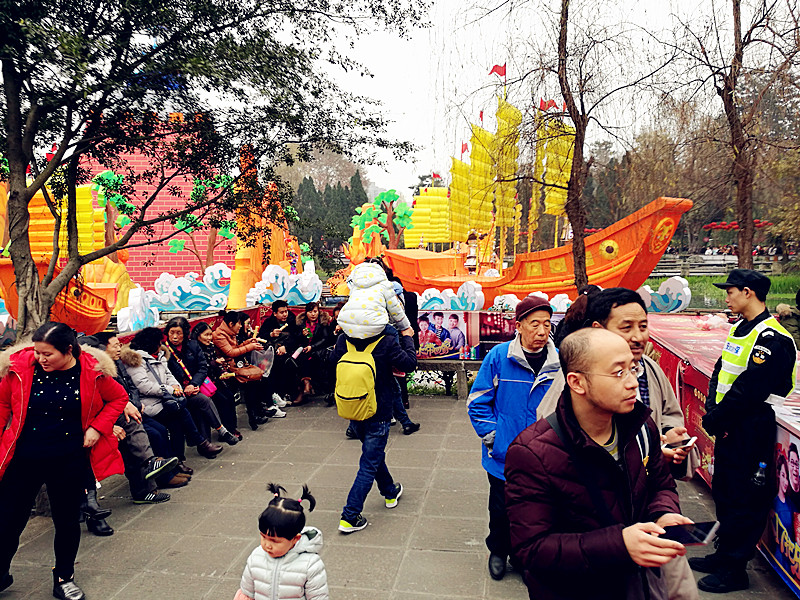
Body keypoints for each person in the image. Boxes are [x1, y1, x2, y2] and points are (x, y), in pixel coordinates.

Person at [505, 328, 690, 600]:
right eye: (618, 373)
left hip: (639, 585)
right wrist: (620, 544)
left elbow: (661, 485)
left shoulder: (641, 426)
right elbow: (531, 549)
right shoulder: (532, 452)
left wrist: (663, 514)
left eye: (633, 369)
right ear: (577, 382)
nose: (632, 383)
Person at [0, 322, 129, 600]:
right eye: (37, 352)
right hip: (24, 458)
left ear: (68, 350)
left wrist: (97, 428)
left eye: (48, 354)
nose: (41, 359)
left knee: (67, 521)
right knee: (8, 520)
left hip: (68, 458)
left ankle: (64, 578)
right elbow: (2, 404)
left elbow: (118, 398)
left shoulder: (91, 372)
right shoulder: (19, 369)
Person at [691, 269, 797, 593]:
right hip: (728, 424)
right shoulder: (740, 329)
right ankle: (723, 554)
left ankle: (735, 568)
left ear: (748, 293)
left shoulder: (772, 337)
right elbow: (721, 371)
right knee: (724, 490)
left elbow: (751, 388)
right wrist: (712, 409)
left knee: (744, 499)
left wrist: (718, 416)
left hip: (749, 425)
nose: (727, 297)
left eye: (731, 291)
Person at [467, 295, 560, 580]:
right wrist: (496, 438)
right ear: (518, 325)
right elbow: (478, 402)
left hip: (546, 455)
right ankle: (498, 550)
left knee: (537, 510)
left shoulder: (560, 363)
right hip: (504, 455)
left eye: (547, 324)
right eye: (534, 324)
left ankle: (524, 554)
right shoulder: (499, 357)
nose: (542, 331)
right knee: (501, 508)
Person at [331, 320, 417, 533]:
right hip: (379, 412)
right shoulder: (387, 343)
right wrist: (407, 337)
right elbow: (409, 363)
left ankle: (389, 491)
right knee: (369, 463)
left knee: (373, 455)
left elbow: (331, 362)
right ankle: (350, 516)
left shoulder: (345, 340)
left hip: (354, 410)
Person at [126, 327, 224, 460]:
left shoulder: (160, 356)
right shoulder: (136, 361)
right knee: (181, 414)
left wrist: (176, 387)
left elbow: (169, 375)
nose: (161, 346)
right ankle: (201, 443)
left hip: (165, 399)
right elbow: (144, 386)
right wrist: (171, 390)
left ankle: (182, 458)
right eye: (159, 343)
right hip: (150, 403)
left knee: (181, 417)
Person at [164, 317, 239, 445]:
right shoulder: (164, 350)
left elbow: (202, 367)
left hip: (194, 386)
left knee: (215, 398)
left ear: (185, 333)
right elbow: (166, 374)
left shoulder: (193, 345)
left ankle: (208, 442)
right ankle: (219, 433)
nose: (175, 337)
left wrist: (194, 384)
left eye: (179, 333)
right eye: (172, 333)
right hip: (176, 390)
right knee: (203, 401)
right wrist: (182, 388)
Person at [215, 310, 279, 430]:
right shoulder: (219, 335)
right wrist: (250, 346)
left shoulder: (229, 333)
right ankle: (254, 414)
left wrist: (248, 342)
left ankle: (257, 412)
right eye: (239, 323)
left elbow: (236, 348)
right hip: (227, 369)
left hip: (236, 365)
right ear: (231, 324)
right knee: (250, 381)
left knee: (257, 380)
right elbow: (231, 352)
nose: (240, 326)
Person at [336, 260, 413, 339]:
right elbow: (395, 311)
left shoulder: (355, 286)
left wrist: (340, 324)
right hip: (375, 325)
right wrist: (405, 327)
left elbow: (351, 305)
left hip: (351, 325)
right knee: (393, 333)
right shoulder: (384, 285)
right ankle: (395, 350)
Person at [191, 321, 241, 438]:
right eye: (206, 335)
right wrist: (213, 363)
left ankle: (231, 428)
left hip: (215, 380)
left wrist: (222, 370)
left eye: (210, 334)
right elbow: (200, 367)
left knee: (229, 396)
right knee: (222, 400)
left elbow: (215, 364)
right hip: (203, 383)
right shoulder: (195, 349)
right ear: (198, 336)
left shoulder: (210, 346)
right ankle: (225, 431)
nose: (209, 338)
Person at [257, 300, 300, 407]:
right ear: (274, 313)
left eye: (286, 311)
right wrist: (271, 334)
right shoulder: (268, 322)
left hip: (290, 351)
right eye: (282, 312)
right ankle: (274, 395)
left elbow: (297, 338)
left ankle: (287, 393)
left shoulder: (292, 320)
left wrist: (286, 347)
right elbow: (261, 336)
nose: (285, 314)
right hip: (273, 352)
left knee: (287, 364)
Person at [293, 302, 334, 405]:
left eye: (315, 311)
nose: (313, 314)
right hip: (305, 349)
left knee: (309, 358)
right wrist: (302, 335)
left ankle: (305, 387)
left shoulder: (322, 323)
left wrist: (312, 347)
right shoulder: (302, 324)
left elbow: (325, 339)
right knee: (300, 357)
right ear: (306, 313)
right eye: (310, 312)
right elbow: (296, 339)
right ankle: (306, 384)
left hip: (318, 350)